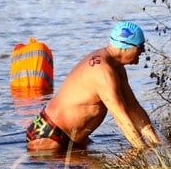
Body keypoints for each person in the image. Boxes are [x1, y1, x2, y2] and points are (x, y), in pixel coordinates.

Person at [26, 21, 162, 153]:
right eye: (140, 46)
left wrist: (156, 144)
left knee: (95, 167)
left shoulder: (116, 67)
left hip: (75, 138)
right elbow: (120, 117)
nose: (143, 51)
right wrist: (142, 150)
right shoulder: (103, 72)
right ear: (125, 47)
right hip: (48, 136)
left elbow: (133, 108)